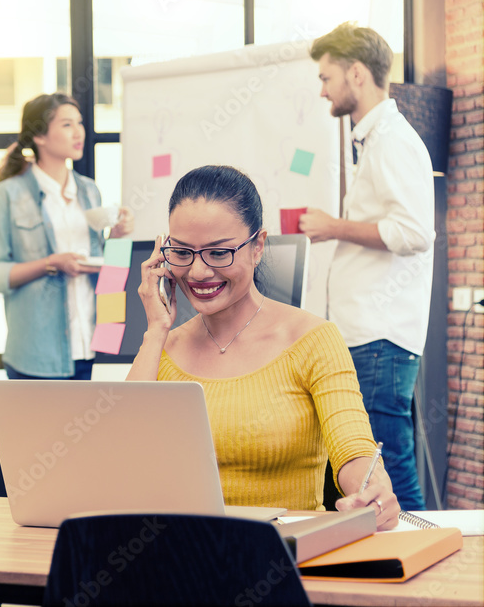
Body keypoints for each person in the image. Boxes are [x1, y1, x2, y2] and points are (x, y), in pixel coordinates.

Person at [126, 165, 399, 529]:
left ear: (257, 247)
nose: (197, 272)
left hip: (279, 557)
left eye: (219, 253)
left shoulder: (312, 339)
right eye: (182, 252)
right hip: (181, 553)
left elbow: (353, 445)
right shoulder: (163, 346)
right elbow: (123, 458)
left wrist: (372, 489)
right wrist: (155, 330)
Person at [301, 22, 434, 511]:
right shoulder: (375, 141)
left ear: (356, 73)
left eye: (326, 77)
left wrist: (335, 227)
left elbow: (415, 232)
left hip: (380, 339)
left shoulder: (394, 141)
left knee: (387, 470)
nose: (322, 90)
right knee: (367, 473)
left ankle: (433, 576)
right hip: (366, 335)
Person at [0, 92, 134, 380]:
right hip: (37, 355)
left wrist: (117, 237)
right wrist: (51, 263)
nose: (79, 132)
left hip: (94, 346)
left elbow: (109, 273)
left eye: (79, 122)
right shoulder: (9, 194)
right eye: (66, 124)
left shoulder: (89, 190)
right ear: (39, 136)